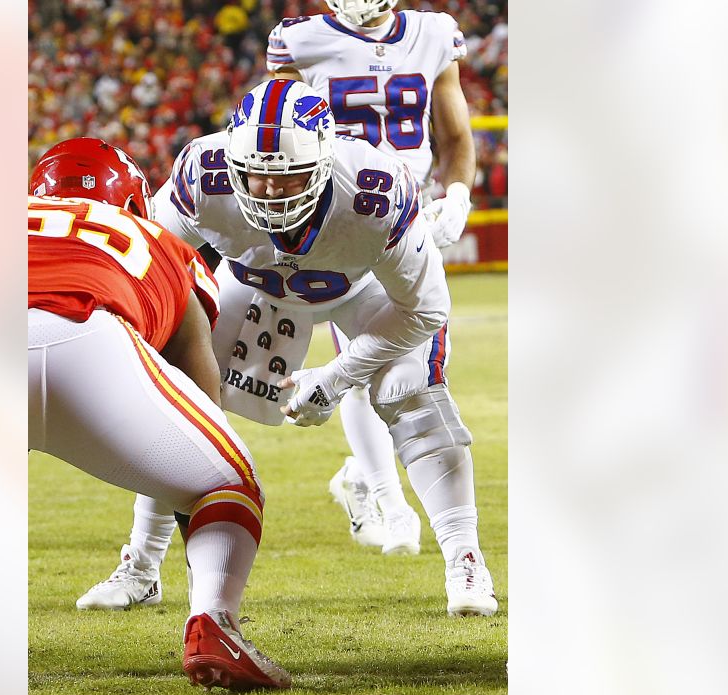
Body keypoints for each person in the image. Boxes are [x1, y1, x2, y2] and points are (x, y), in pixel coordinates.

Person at [80, 79, 498, 617]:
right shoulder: (199, 175)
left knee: (409, 391)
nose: (270, 191)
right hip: (256, 285)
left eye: (288, 176)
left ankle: (465, 560)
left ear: (323, 162)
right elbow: (151, 267)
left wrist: (338, 375)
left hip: (362, 288)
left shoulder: (376, 191)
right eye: (256, 175)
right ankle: (141, 565)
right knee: (181, 397)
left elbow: (425, 309)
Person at [28, 137, 291, 690]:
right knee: (229, 481)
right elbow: (201, 388)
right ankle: (214, 622)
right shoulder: (157, 238)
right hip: (90, 341)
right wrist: (188, 497)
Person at [265, 0, 479, 552]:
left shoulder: (433, 34)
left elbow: (455, 136)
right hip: (341, 218)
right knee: (362, 362)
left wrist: (456, 196)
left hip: (412, 214)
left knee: (413, 366)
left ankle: (359, 479)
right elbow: (278, 131)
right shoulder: (302, 40)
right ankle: (390, 502)